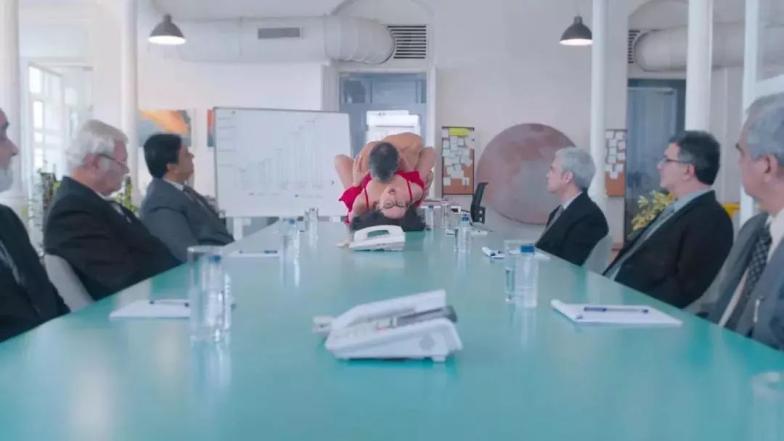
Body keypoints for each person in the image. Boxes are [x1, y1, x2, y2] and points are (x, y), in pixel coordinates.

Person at [44, 120, 179, 300]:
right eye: (122, 162)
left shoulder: (93, 202)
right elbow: (124, 277)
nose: (127, 170)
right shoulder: (70, 211)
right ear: (94, 163)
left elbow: (156, 251)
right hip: (133, 307)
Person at [603, 131, 733, 308]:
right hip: (613, 298)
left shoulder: (711, 218)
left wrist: (630, 309)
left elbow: (683, 288)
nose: (659, 166)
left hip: (636, 310)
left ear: (687, 170)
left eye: (667, 160)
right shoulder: (675, 209)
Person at [698, 93, 784, 349]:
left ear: (767, 165)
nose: (738, 164)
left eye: (742, 154)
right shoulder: (753, 230)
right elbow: (724, 311)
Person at [0, 108, 69, 341]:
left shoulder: (6, 218)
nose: (14, 149)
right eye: (1, 137)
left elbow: (46, 295)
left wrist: (73, 333)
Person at [140, 133, 233, 262]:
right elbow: (187, 253)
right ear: (172, 167)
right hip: (210, 267)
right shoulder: (160, 203)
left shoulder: (182, 191)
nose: (192, 156)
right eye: (186, 154)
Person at [335, 133, 435, 222]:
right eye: (400, 203)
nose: (393, 196)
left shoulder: (363, 202)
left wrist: (356, 183)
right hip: (402, 173)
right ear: (407, 203)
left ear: (377, 206)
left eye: (388, 203)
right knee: (418, 143)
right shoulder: (412, 192)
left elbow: (352, 217)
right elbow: (415, 174)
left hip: (363, 182)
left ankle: (385, 149)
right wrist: (404, 161)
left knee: (342, 159)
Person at [535, 147, 608, 266]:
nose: (547, 175)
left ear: (567, 177)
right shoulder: (558, 212)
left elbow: (570, 265)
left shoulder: (589, 218)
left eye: (552, 170)